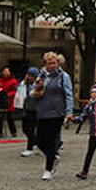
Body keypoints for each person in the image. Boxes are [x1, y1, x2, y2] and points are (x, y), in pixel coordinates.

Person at [32, 51, 73, 180]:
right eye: (49, 63)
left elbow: (68, 94)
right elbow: (31, 92)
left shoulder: (63, 76)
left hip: (57, 112)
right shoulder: (41, 76)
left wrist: (69, 112)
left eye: (54, 63)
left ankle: (48, 169)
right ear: (45, 63)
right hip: (42, 111)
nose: (52, 65)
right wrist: (36, 90)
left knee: (50, 139)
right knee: (39, 140)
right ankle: (53, 157)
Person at [0, 67, 18, 138]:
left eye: (7, 71)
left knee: (9, 117)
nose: (5, 73)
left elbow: (15, 91)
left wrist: (9, 95)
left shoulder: (13, 82)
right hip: (0, 101)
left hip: (9, 101)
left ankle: (13, 131)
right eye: (4, 71)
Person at [18, 67, 40, 157]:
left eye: (31, 76)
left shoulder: (37, 84)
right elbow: (18, 89)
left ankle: (30, 147)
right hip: (26, 108)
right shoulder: (25, 84)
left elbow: (34, 93)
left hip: (35, 109)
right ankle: (36, 142)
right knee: (25, 128)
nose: (29, 77)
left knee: (31, 128)